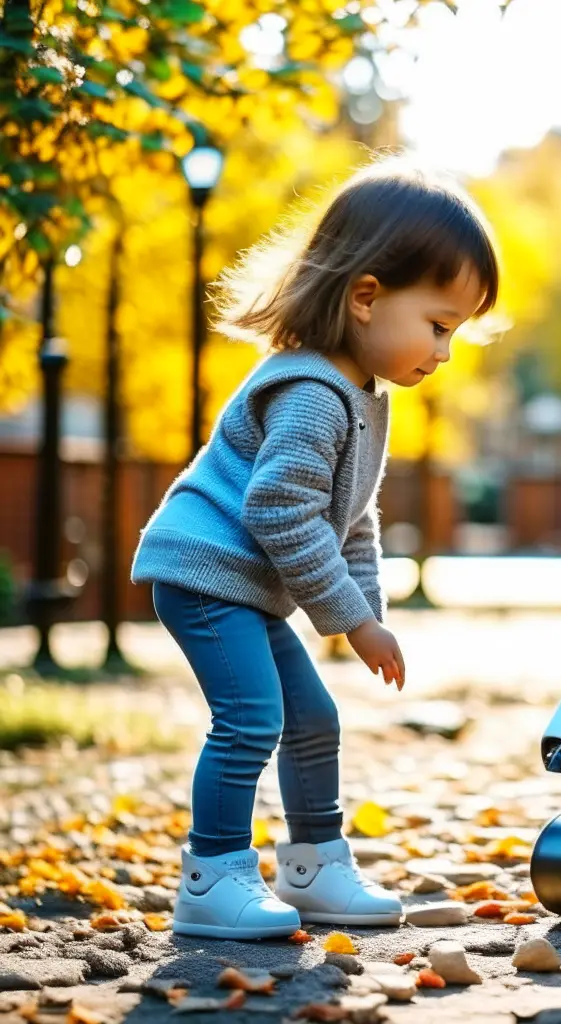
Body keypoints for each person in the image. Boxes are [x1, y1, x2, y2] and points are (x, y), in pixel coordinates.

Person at [130, 157, 500, 939]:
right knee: (251, 717)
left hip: (244, 585)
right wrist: (350, 622)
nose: (445, 351)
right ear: (366, 297)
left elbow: (351, 517)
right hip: (204, 574)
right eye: (439, 325)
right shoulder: (311, 393)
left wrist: (366, 611)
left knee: (312, 717)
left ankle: (316, 866)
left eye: (456, 332)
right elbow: (278, 510)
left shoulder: (361, 398)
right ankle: (215, 875)